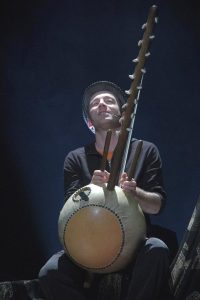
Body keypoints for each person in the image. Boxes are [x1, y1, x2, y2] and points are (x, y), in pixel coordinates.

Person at [38, 81, 171, 300]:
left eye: (109, 101)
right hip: (89, 246)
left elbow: (157, 205)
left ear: (122, 114)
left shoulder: (145, 150)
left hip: (133, 244)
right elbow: (68, 210)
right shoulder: (76, 158)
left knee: (157, 249)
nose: (102, 104)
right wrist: (90, 189)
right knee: (50, 272)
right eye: (95, 103)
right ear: (89, 121)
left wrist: (135, 193)